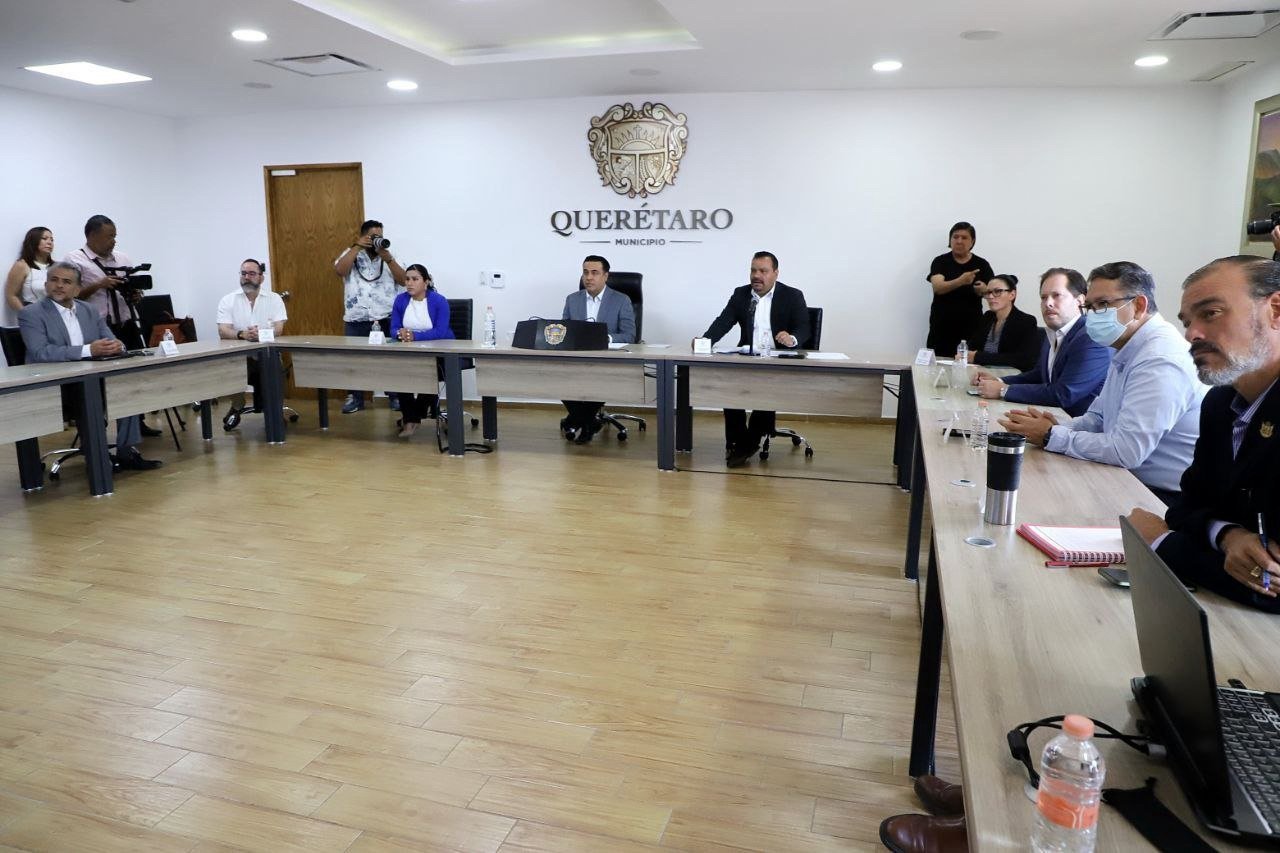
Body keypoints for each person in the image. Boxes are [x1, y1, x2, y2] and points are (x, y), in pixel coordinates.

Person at [1128, 255, 1280, 612]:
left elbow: (1269, 585)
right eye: (1187, 322)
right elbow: (1185, 508)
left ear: (1275, 310)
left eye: (1210, 313)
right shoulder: (1219, 404)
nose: (1191, 335)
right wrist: (1228, 535)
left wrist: (1160, 542)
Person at [998, 261, 1204, 505]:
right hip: (1125, 477)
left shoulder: (1160, 359)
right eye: (1091, 307)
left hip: (1160, 497)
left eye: (1103, 304)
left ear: (1139, 306)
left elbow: (1126, 451)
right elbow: (1097, 418)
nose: (1094, 315)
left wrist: (1050, 435)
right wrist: (1059, 427)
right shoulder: (1128, 345)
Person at [18, 262, 161, 471]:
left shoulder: (89, 310)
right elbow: (41, 352)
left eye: (66, 282)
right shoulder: (31, 313)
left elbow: (111, 339)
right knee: (87, 394)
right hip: (55, 385)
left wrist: (117, 346)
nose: (59, 286)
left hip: (91, 377)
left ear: (77, 289)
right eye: (54, 280)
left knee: (126, 386)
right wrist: (88, 350)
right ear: (46, 285)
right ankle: (98, 457)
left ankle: (127, 451)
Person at [702, 251, 810, 468]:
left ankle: (748, 444)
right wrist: (704, 341)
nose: (756, 276)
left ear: (775, 273)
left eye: (763, 271)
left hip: (779, 361)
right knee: (729, 388)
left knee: (766, 390)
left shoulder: (792, 295)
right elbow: (723, 322)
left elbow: (804, 327)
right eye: (753, 270)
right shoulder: (741, 294)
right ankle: (738, 442)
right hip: (748, 359)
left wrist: (792, 338)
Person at [972, 267, 1111, 416]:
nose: (1048, 303)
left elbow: (1064, 394)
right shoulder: (1053, 331)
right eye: (1044, 297)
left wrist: (1003, 390)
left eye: (1056, 295)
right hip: (1050, 415)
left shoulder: (1091, 337)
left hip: (1075, 424)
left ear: (1080, 300)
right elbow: (1039, 375)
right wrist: (999, 380)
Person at [559, 254, 637, 444]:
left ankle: (579, 420)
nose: (589, 277)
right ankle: (589, 422)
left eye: (594, 273)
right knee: (557, 376)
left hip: (606, 359)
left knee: (600, 378)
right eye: (585, 272)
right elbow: (564, 331)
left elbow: (629, 335)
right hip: (577, 358)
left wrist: (604, 338)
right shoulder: (572, 299)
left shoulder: (621, 300)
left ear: (605, 276)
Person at [333, 219, 406, 414]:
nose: (377, 240)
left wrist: (388, 258)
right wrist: (357, 247)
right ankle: (355, 398)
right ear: (363, 236)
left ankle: (395, 397)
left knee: (390, 361)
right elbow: (340, 270)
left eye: (380, 236)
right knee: (354, 361)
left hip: (385, 317)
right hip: (356, 318)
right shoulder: (351, 253)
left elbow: (403, 280)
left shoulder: (390, 255)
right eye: (373, 237)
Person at [215, 258, 287, 428]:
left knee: (273, 368)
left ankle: (274, 412)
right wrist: (242, 334)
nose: (247, 277)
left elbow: (279, 329)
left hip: (267, 356)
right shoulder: (228, 300)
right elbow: (223, 330)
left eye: (252, 273)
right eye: (244, 273)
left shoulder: (274, 299)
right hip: (239, 358)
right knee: (229, 368)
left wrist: (260, 334)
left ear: (261, 277)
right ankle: (237, 406)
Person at [389, 264, 454, 438]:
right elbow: (393, 328)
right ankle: (411, 419)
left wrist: (414, 336)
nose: (409, 283)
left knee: (429, 372)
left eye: (415, 279)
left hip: (439, 352)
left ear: (426, 282)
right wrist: (400, 333)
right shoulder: (400, 300)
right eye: (407, 279)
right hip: (409, 352)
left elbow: (440, 332)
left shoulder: (439, 301)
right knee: (399, 373)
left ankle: (412, 419)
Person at [926, 222, 994, 357]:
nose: (959, 241)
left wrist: (984, 290)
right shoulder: (940, 261)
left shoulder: (982, 264)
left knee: (969, 365)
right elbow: (938, 287)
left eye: (964, 237)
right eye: (955, 237)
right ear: (950, 240)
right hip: (942, 327)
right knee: (937, 364)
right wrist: (961, 281)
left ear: (972, 241)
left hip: (971, 328)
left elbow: (994, 293)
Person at [963, 273, 1044, 371]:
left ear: (1012, 295)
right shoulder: (987, 317)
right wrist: (964, 354)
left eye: (997, 291)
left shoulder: (1026, 321)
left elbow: (1024, 360)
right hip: (980, 372)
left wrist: (978, 357)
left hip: (1008, 376)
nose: (991, 296)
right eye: (988, 292)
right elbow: (971, 347)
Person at [4, 226, 53, 328]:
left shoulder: (56, 266)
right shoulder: (22, 265)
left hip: (55, 316)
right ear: (33, 241)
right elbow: (11, 295)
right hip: (34, 317)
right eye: (44, 239)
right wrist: (27, 315)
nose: (50, 242)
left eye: (52, 240)